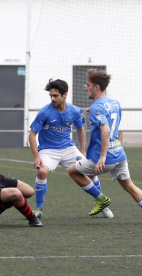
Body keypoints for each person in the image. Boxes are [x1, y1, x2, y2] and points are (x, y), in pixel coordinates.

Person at [68, 69, 142, 223]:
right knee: (130, 186)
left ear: (96, 87)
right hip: (119, 154)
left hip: (104, 157)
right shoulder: (114, 103)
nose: (86, 88)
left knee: (73, 171)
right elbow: (111, 122)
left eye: (88, 85)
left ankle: (100, 199)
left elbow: (105, 129)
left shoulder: (97, 108)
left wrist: (102, 157)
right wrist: (94, 111)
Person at [29, 79, 113, 218]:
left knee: (91, 173)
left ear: (65, 94)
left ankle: (102, 205)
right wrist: (37, 156)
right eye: (51, 96)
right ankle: (39, 209)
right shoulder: (44, 112)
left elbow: (80, 130)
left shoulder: (75, 111)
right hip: (48, 150)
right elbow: (32, 135)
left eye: (56, 95)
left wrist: (83, 150)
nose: (52, 99)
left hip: (68, 148)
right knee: (42, 172)